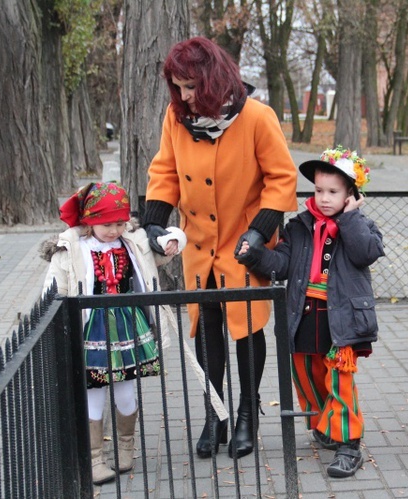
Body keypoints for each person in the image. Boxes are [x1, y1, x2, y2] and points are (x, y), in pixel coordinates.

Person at [141, 36, 297, 460]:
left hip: (243, 242)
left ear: (212, 79)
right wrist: (155, 220)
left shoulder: (257, 117)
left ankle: (248, 413)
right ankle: (216, 414)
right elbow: (165, 171)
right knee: (207, 330)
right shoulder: (176, 120)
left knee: (246, 329)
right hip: (198, 245)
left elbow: (281, 179)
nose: (185, 97)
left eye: (192, 87)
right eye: (179, 87)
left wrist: (261, 232)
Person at [237, 147, 384, 478]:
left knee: (338, 377)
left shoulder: (361, 226)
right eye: (319, 190)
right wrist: (255, 255)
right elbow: (284, 263)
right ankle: (324, 426)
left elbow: (365, 253)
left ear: (351, 194)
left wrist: (350, 217)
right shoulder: (300, 226)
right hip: (303, 313)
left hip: (342, 317)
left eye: (333, 192)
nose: (324, 198)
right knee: (306, 373)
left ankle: (349, 442)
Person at [41, 181, 185, 484]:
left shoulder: (133, 242)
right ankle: (94, 458)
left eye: (120, 223)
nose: (114, 230)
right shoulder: (70, 248)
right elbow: (54, 290)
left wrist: (174, 241)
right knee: (93, 389)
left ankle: (125, 447)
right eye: (107, 224)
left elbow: (162, 250)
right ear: (89, 220)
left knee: (126, 388)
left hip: (128, 325)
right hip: (90, 327)